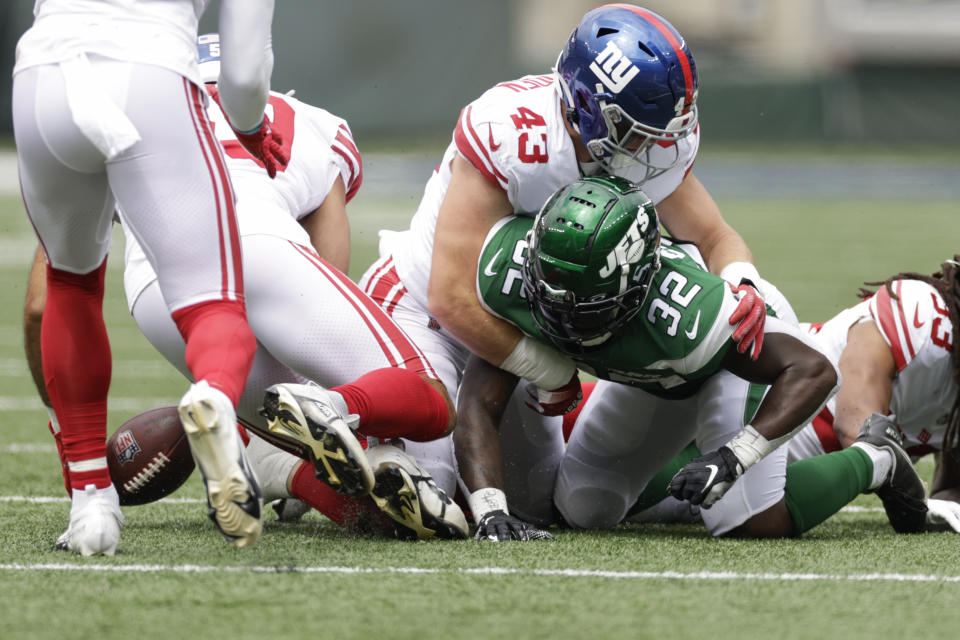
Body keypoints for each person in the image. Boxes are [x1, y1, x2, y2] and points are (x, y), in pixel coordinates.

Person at [22, 33, 468, 544]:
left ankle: (285, 469)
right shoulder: (312, 123)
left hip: (154, 290)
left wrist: (69, 435)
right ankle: (342, 413)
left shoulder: (105, 116)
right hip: (258, 241)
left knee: (284, 427)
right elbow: (329, 272)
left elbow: (41, 307)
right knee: (427, 399)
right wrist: (350, 410)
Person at [359, 4, 776, 525]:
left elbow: (714, 236)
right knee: (426, 499)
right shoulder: (513, 135)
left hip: (518, 325)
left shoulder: (636, 149)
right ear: (587, 107)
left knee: (534, 504)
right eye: (638, 130)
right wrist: (551, 370)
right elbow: (452, 296)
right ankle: (282, 456)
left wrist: (741, 281)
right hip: (423, 312)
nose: (658, 145)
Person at [454, 175, 929, 542]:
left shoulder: (696, 316)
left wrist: (733, 456)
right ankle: (695, 477)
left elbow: (812, 369)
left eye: (588, 308)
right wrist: (491, 510)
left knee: (745, 520)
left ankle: (875, 458)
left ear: (636, 288)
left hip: (726, 362)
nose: (564, 324)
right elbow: (478, 398)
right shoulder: (508, 271)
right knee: (585, 508)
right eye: (551, 303)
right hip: (658, 376)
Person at [12, 0, 288, 555]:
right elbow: (242, 69)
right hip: (151, 72)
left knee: (71, 284)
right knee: (214, 303)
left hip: (43, 77)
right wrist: (251, 126)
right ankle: (212, 401)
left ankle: (91, 503)